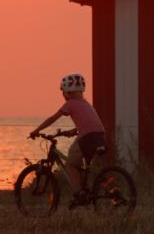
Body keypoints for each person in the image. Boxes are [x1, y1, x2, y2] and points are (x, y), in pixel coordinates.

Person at [29, 73, 106, 203]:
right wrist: (72, 131)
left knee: (70, 164)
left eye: (63, 92)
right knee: (79, 166)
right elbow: (89, 123)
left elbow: (53, 118)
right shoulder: (86, 104)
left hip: (86, 136)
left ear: (67, 92)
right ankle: (85, 192)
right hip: (99, 135)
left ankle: (78, 194)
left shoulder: (70, 103)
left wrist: (37, 130)